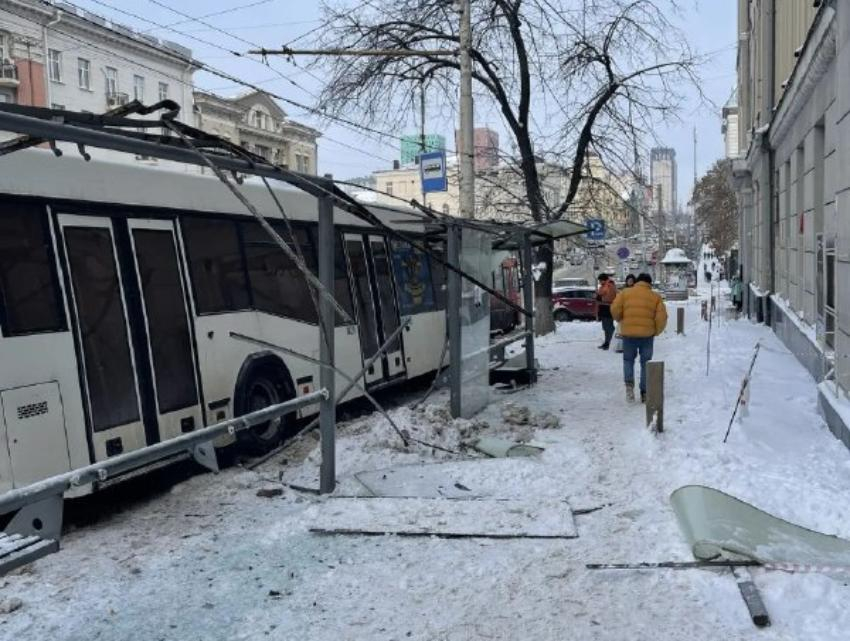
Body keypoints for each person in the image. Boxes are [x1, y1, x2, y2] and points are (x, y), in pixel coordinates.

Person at [611, 273, 668, 403]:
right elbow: (662, 317)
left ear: (637, 281)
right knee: (646, 363)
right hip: (647, 336)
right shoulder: (655, 297)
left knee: (628, 361)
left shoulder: (625, 293)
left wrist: (621, 319)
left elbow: (615, 309)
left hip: (629, 334)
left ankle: (629, 388)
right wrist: (656, 331)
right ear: (650, 283)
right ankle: (644, 392)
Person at [613, 274, 636, 353]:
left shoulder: (636, 290)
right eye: (629, 280)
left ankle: (631, 347)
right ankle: (620, 347)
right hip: (624, 312)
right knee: (621, 330)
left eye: (632, 281)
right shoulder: (623, 290)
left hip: (632, 312)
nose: (630, 282)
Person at [596, 273, 617, 350]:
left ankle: (609, 342)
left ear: (603, 280)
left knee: (608, 327)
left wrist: (599, 296)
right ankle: (606, 342)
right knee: (605, 326)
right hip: (604, 307)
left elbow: (608, 297)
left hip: (608, 308)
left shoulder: (609, 285)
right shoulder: (605, 285)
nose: (599, 282)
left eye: (600, 280)